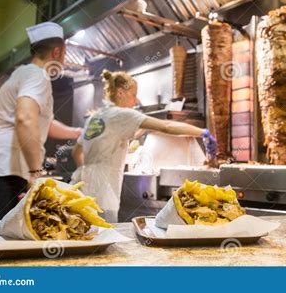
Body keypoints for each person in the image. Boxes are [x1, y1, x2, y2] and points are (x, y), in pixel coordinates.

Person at [0, 22, 81, 225]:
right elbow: (25, 118)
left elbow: (42, 121)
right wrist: (36, 173)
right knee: (1, 250)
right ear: (57, 52)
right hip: (2, 174)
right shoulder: (38, 75)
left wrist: (76, 132)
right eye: (64, 54)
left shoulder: (21, 73)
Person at [71, 70, 217, 222]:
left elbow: (76, 152)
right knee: (103, 237)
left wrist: (89, 175)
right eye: (133, 94)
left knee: (82, 236)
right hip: (104, 194)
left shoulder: (96, 117)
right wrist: (202, 132)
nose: (136, 100)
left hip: (80, 189)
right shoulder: (122, 114)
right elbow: (166, 126)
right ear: (120, 92)